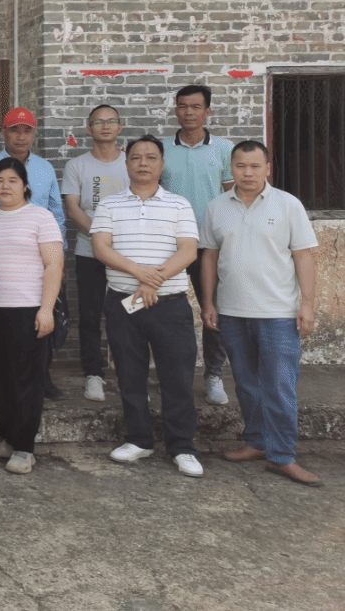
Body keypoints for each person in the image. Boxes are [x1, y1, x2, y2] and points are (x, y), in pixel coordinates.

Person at [199, 140, 322, 486]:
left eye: (255, 166)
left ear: (268, 168)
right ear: (231, 169)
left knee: (279, 386)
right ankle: (256, 442)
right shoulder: (216, 207)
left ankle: (282, 456)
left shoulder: (288, 204)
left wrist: (307, 304)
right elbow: (209, 256)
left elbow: (304, 256)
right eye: (240, 166)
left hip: (278, 313)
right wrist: (208, 303)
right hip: (232, 312)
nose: (248, 173)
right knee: (246, 383)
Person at [91, 135, 204, 479]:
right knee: (130, 375)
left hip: (170, 305)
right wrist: (139, 273)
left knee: (177, 377)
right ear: (126, 163)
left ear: (162, 164)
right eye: (136, 157)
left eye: (151, 157)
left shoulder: (179, 205)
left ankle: (182, 447)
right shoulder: (109, 204)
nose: (143, 162)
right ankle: (139, 440)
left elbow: (188, 251)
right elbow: (101, 247)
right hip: (123, 304)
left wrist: (152, 281)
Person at [0, 157, 63, 475]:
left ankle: (25, 448)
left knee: (27, 380)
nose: (5, 186)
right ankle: (9, 438)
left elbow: (54, 265)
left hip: (29, 310)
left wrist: (46, 309)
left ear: (25, 185)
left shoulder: (41, 217)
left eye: (12, 180)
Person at [0, 107, 66, 400]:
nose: (21, 136)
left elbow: (56, 211)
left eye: (27, 130)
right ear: (3, 133)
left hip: (39, 256)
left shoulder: (45, 168)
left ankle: (42, 379)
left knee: (41, 326)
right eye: (14, 130)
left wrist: (55, 255)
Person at [160, 84, 235, 407]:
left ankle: (214, 375)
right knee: (164, 310)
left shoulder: (224, 149)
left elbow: (233, 196)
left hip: (210, 245)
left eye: (195, 107)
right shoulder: (162, 149)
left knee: (213, 310)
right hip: (171, 244)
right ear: (175, 110)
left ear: (207, 111)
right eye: (182, 106)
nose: (188, 112)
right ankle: (170, 374)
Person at [61, 104, 128, 403]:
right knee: (90, 316)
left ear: (119, 127)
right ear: (89, 129)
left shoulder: (130, 163)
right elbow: (73, 207)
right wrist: (101, 239)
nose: (105, 126)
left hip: (127, 254)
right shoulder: (77, 166)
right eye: (98, 122)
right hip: (89, 252)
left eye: (111, 121)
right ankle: (93, 373)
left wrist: (118, 242)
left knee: (126, 314)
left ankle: (127, 372)